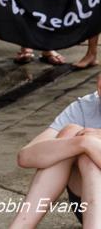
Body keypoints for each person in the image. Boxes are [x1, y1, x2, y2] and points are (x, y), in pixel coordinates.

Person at [9, 73, 101, 228]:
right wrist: (83, 142)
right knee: (69, 135)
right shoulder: (86, 106)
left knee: (89, 159)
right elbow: (25, 157)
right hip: (89, 205)